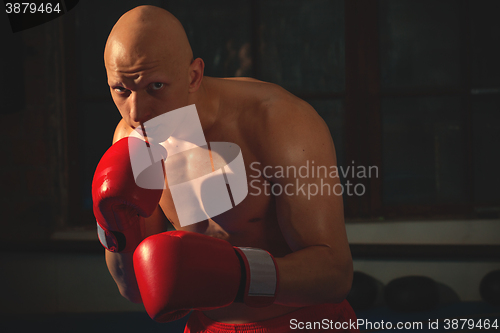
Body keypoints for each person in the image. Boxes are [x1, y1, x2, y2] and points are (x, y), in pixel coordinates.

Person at [96, 5, 358, 332]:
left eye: (156, 87)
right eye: (121, 89)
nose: (136, 112)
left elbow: (335, 275)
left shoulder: (276, 121)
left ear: (193, 75)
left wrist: (240, 274)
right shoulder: (131, 140)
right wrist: (113, 227)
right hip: (208, 326)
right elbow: (134, 290)